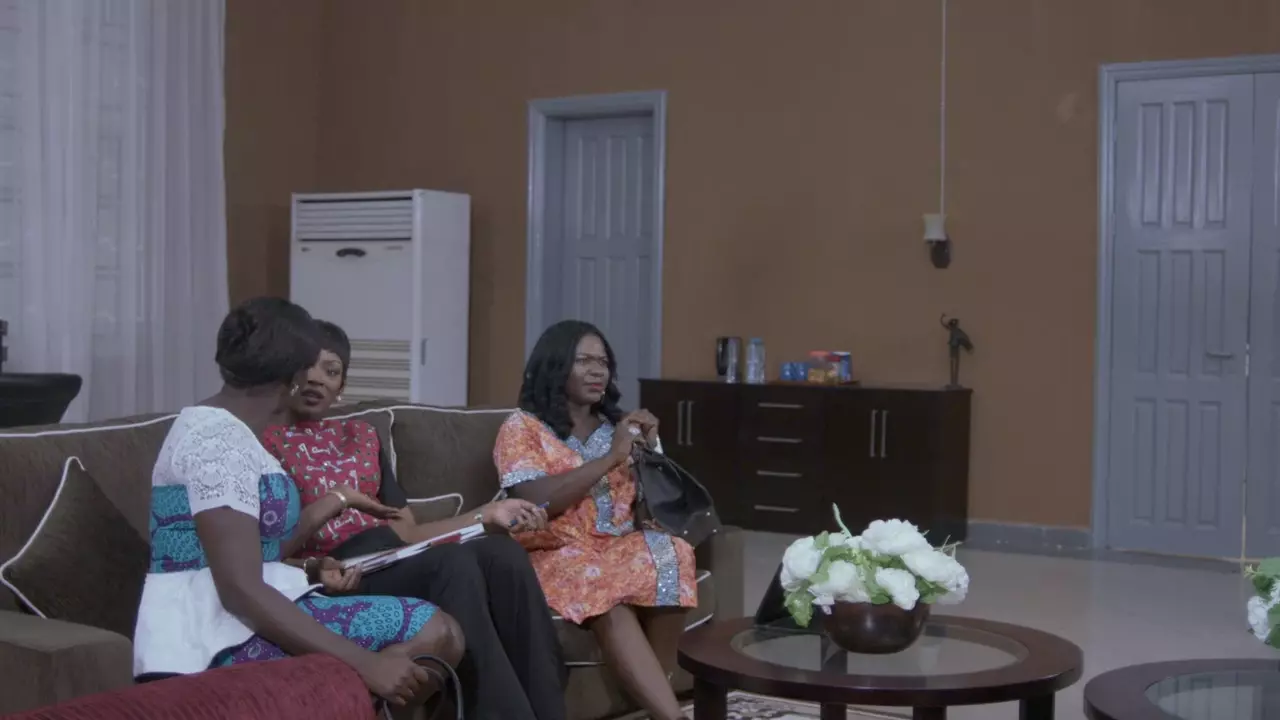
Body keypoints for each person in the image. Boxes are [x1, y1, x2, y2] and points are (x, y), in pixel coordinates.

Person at [137, 297, 463, 709]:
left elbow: (252, 551)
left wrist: (311, 565)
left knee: (439, 636)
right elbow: (238, 589)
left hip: (235, 614)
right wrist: (366, 664)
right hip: (208, 632)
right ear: (292, 378)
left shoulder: (234, 432)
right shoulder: (216, 441)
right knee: (436, 633)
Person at [260, 319, 567, 720]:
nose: (317, 379)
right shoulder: (262, 442)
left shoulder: (362, 437)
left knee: (500, 552)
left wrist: (487, 515)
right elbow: (262, 550)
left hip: (393, 555)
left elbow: (408, 532)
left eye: (331, 371)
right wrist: (317, 561)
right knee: (454, 564)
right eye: (307, 367)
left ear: (342, 386)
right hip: (336, 570)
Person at [493, 320, 698, 720]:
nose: (596, 371)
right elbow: (533, 499)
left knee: (673, 553)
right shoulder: (522, 428)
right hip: (553, 549)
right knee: (607, 596)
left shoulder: (617, 428)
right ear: (555, 365)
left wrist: (652, 453)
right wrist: (610, 459)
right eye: (584, 360)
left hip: (616, 544)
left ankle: (653, 704)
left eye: (603, 362)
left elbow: (655, 509)